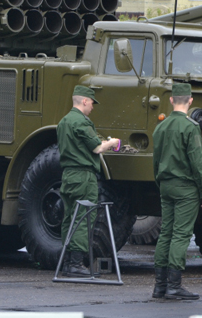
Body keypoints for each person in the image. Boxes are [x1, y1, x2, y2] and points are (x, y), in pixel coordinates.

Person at [152, 83, 202, 300]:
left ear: (171, 100)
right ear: (191, 101)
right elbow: (197, 162)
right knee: (181, 234)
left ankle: (160, 286)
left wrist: (161, 183)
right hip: (185, 187)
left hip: (166, 185)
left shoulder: (161, 126)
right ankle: (174, 286)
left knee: (165, 232)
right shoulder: (190, 126)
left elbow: (155, 160)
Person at [57, 85, 120, 277]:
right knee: (84, 218)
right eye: (92, 103)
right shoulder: (82, 122)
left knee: (69, 218)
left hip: (68, 176)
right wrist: (113, 142)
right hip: (84, 176)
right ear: (84, 101)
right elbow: (97, 148)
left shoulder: (64, 122)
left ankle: (67, 262)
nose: (92, 107)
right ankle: (76, 264)